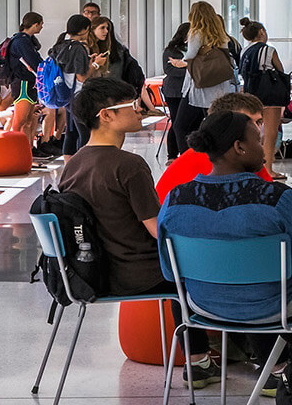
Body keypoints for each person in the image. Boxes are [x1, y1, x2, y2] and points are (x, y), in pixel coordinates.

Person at [159, 110, 292, 397]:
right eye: (258, 140)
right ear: (239, 147)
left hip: (204, 307)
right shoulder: (277, 198)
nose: (266, 148)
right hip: (273, 307)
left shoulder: (175, 200)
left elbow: (169, 272)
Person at [57, 77, 215, 385]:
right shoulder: (128, 165)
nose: (141, 109)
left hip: (93, 273)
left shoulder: (73, 164)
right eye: (133, 105)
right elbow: (160, 231)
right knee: (206, 267)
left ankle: (200, 359)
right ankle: (248, 357)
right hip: (138, 273)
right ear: (106, 115)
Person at [155, 92, 292, 209]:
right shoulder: (216, 161)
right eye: (247, 123)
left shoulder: (245, 157)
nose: (256, 130)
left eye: (259, 122)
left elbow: (270, 196)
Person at [166, 1, 238, 165]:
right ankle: (218, 158)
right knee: (214, 124)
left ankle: (188, 161)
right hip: (218, 86)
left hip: (198, 88)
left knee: (180, 125)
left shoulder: (196, 32)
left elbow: (190, 55)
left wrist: (180, 63)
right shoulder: (221, 35)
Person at [238, 19, 291, 178]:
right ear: (261, 32)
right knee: (270, 132)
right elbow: (280, 70)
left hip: (251, 94)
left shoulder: (245, 51)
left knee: (252, 131)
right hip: (270, 95)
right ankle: (268, 169)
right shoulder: (269, 50)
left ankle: (251, 167)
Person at [47, 14, 107, 155]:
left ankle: (70, 167)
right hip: (78, 95)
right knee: (85, 133)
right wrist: (97, 64)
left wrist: (88, 62)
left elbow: (69, 68)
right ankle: (83, 166)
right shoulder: (78, 48)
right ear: (84, 29)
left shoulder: (61, 44)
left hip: (65, 93)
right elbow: (82, 77)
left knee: (71, 133)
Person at [6, 12, 46, 150]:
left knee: (29, 121)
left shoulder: (25, 40)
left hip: (28, 83)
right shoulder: (22, 41)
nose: (41, 27)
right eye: (41, 24)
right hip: (23, 83)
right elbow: (34, 62)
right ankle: (14, 151)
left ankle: (27, 152)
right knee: (20, 120)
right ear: (35, 24)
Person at [90, 16, 147, 95]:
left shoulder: (116, 50)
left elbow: (115, 75)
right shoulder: (87, 48)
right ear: (93, 29)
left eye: (108, 28)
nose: (106, 31)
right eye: (102, 28)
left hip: (112, 90)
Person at [161, 23, 191, 157]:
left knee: (186, 123)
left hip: (189, 91)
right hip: (174, 91)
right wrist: (190, 70)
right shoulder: (171, 50)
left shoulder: (195, 49)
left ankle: (188, 152)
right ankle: (172, 155)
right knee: (176, 122)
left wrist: (185, 67)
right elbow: (169, 70)